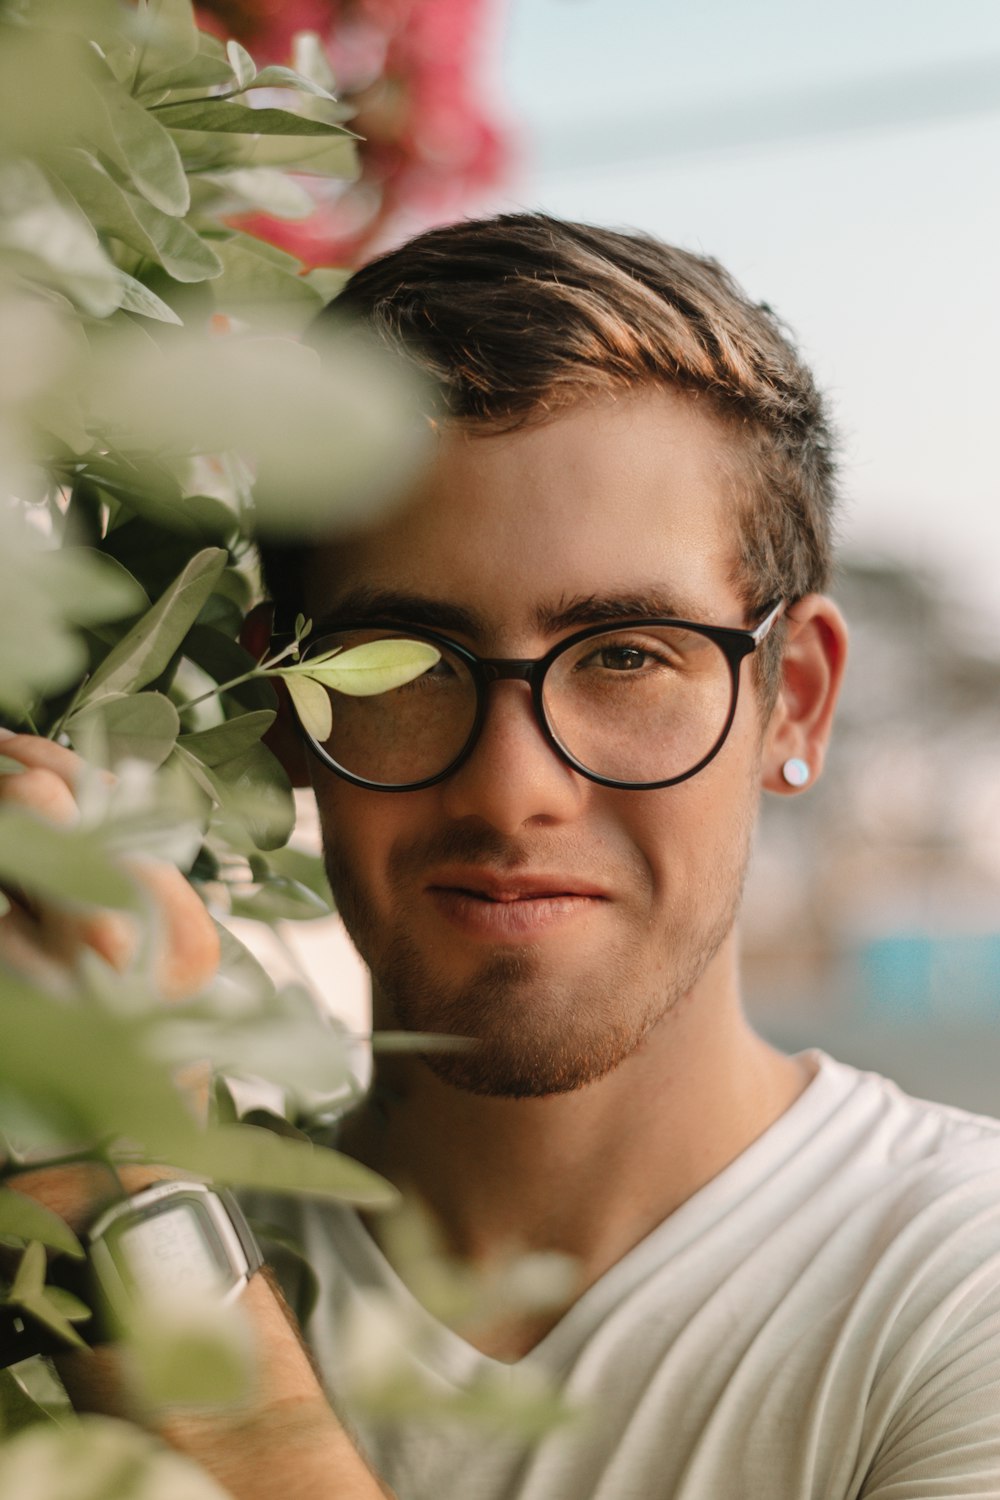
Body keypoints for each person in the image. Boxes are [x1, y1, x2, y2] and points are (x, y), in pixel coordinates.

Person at [3, 212, 1000, 1499]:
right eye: (407, 665)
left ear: (791, 700)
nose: (513, 788)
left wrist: (128, 1208)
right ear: (288, 710)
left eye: (628, 655)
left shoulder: (955, 1281)